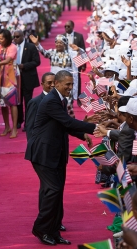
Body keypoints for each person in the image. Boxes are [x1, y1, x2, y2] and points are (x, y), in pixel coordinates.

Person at [25, 70, 96, 246]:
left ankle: (54, 231)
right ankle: (41, 228)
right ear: (56, 83)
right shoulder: (50, 101)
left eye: (72, 84)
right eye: (67, 84)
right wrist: (95, 128)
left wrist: (82, 134)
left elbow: (64, 125)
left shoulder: (59, 99)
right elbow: (68, 122)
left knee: (57, 193)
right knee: (53, 190)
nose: (70, 88)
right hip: (43, 154)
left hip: (56, 153)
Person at [29, 34, 82, 116]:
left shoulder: (71, 54)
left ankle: (70, 124)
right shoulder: (52, 52)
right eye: (57, 42)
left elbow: (83, 58)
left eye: (61, 42)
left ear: (65, 44)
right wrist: (37, 44)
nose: (58, 44)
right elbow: (43, 52)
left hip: (66, 84)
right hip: (55, 84)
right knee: (56, 104)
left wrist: (79, 50)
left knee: (67, 105)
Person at [0, 29, 20, 138]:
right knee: (3, 103)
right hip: (2, 77)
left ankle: (14, 128)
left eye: (2, 38)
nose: (0, 40)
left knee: (12, 103)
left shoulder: (13, 47)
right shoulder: (0, 47)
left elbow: (7, 61)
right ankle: (7, 126)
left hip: (11, 76)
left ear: (7, 38)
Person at [12, 30, 41, 131]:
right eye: (14, 37)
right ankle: (19, 121)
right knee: (18, 101)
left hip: (28, 77)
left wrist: (24, 66)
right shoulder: (12, 47)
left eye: (17, 37)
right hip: (15, 79)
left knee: (28, 102)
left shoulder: (31, 47)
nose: (15, 39)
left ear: (23, 36)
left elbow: (37, 61)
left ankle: (28, 123)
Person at [24, 72, 55, 139]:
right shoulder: (35, 102)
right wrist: (33, 147)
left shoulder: (62, 101)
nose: (52, 85)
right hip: (42, 144)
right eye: (49, 83)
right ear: (42, 84)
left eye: (54, 83)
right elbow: (30, 127)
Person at [64, 20, 86, 106]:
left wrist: (84, 64)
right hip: (65, 62)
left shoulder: (79, 36)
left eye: (68, 26)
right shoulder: (61, 36)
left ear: (73, 27)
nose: (66, 28)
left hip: (76, 61)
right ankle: (68, 99)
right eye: (65, 26)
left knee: (77, 79)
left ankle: (78, 98)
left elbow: (83, 50)